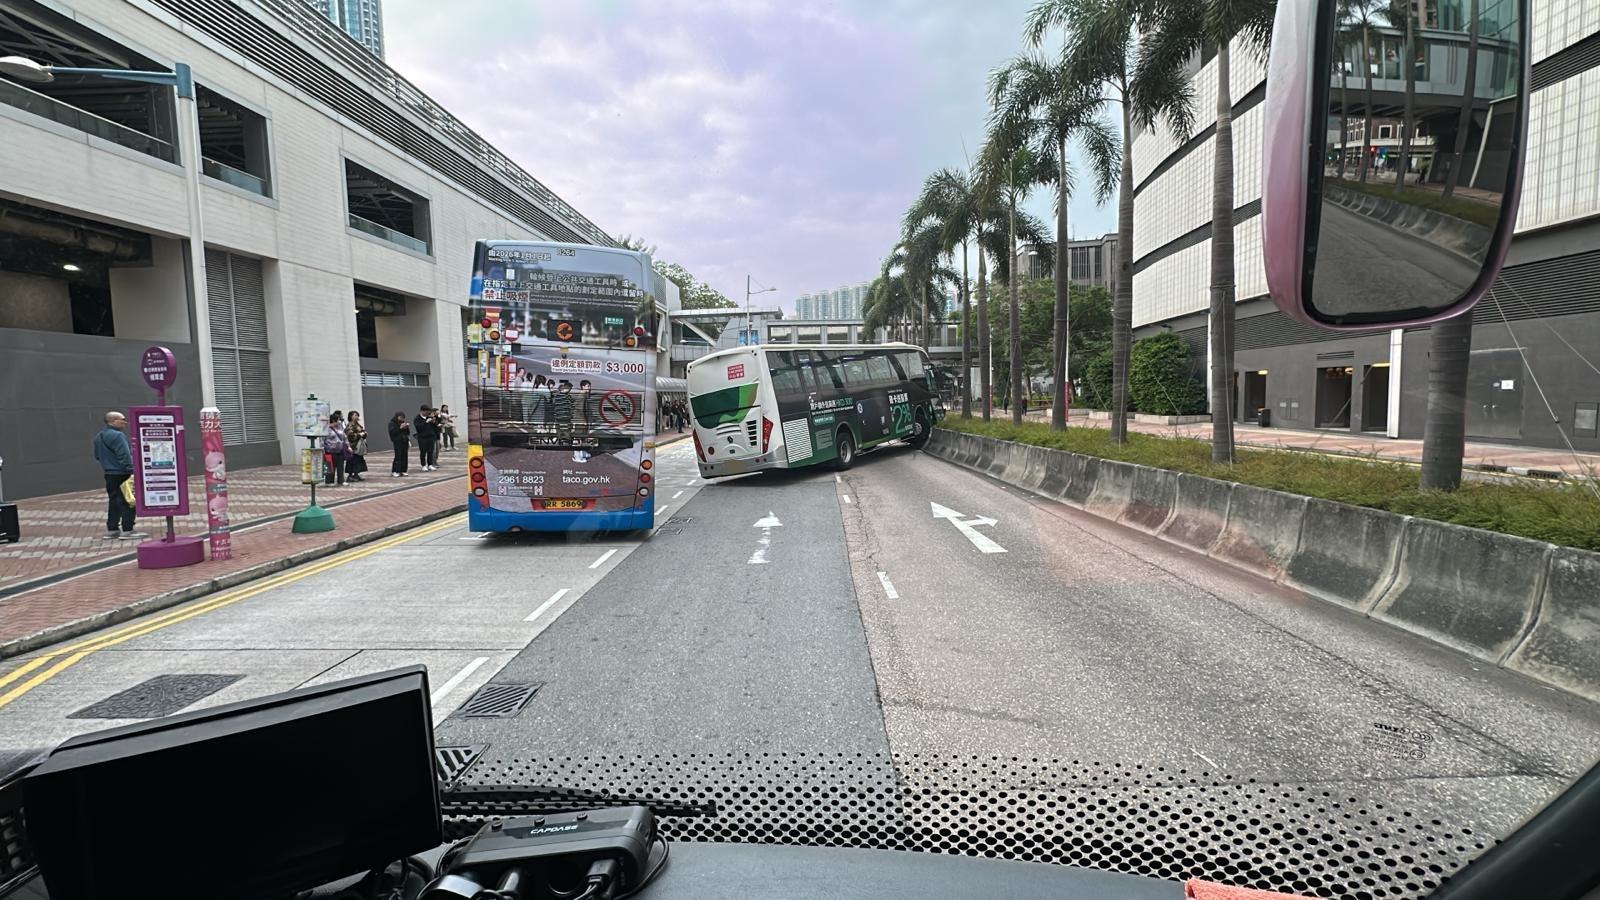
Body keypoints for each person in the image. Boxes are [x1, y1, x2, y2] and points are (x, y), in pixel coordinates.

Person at [93, 411, 142, 540]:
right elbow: (125, 455)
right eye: (122, 419)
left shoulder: (99, 436)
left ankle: (112, 529)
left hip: (109, 473)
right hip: (123, 473)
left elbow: (97, 456)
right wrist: (132, 470)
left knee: (113, 501)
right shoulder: (118, 436)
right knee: (127, 500)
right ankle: (128, 529)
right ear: (113, 421)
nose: (125, 422)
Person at [323, 411, 348, 486]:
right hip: (330, 450)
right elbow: (322, 440)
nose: (339, 421)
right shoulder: (326, 429)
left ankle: (341, 480)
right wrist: (323, 449)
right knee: (330, 466)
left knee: (340, 466)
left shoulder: (339, 427)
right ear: (333, 420)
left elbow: (344, 437)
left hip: (339, 450)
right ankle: (329, 481)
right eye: (337, 420)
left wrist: (348, 446)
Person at [414, 405, 440, 471]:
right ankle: (423, 465)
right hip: (422, 438)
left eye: (428, 412)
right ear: (422, 411)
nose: (427, 413)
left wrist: (434, 422)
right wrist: (426, 422)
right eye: (426, 412)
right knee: (423, 452)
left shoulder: (429, 417)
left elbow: (436, 426)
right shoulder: (417, 418)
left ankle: (430, 464)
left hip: (431, 437)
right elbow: (419, 428)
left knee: (430, 451)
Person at [346, 411, 368, 482]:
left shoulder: (358, 424)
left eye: (357, 415)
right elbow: (349, 435)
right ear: (351, 416)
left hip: (359, 446)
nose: (357, 417)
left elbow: (363, 432)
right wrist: (359, 435)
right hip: (353, 446)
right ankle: (350, 475)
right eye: (355, 415)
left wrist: (364, 434)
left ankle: (356, 474)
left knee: (358, 460)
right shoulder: (350, 425)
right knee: (352, 460)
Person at [389, 411, 411, 476]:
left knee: (404, 456)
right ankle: (395, 471)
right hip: (397, 441)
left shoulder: (403, 422)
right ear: (397, 417)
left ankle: (403, 470)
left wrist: (406, 427)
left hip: (404, 441)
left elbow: (408, 433)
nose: (402, 419)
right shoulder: (392, 423)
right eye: (401, 417)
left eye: (403, 418)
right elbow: (392, 432)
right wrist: (400, 428)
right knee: (398, 456)